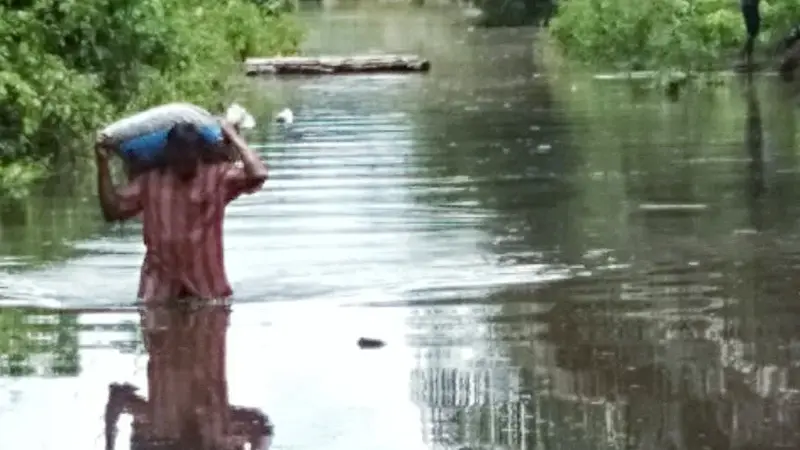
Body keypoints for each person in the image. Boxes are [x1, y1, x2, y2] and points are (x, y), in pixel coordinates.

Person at [96, 121, 269, 450]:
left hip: (209, 292)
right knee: (163, 348)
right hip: (158, 291)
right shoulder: (151, 182)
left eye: (189, 157)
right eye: (177, 158)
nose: (184, 165)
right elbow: (113, 210)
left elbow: (258, 175)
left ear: (199, 156)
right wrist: (102, 164)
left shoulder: (217, 177)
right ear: (168, 157)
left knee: (206, 347)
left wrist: (232, 136)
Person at [740, 0, 761, 67]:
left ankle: (748, 57)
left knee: (751, 31)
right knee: (753, 31)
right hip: (750, 6)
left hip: (747, 6)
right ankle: (745, 53)